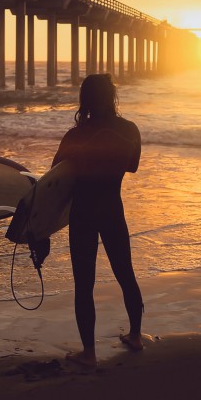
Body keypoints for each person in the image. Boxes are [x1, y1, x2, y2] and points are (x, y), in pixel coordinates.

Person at [52, 73, 143, 368]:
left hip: (84, 212)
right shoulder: (130, 130)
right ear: (112, 96)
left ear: (85, 99)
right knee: (125, 273)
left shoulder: (75, 135)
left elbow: (54, 179)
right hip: (112, 208)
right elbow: (132, 166)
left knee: (84, 284)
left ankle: (89, 353)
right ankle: (136, 335)